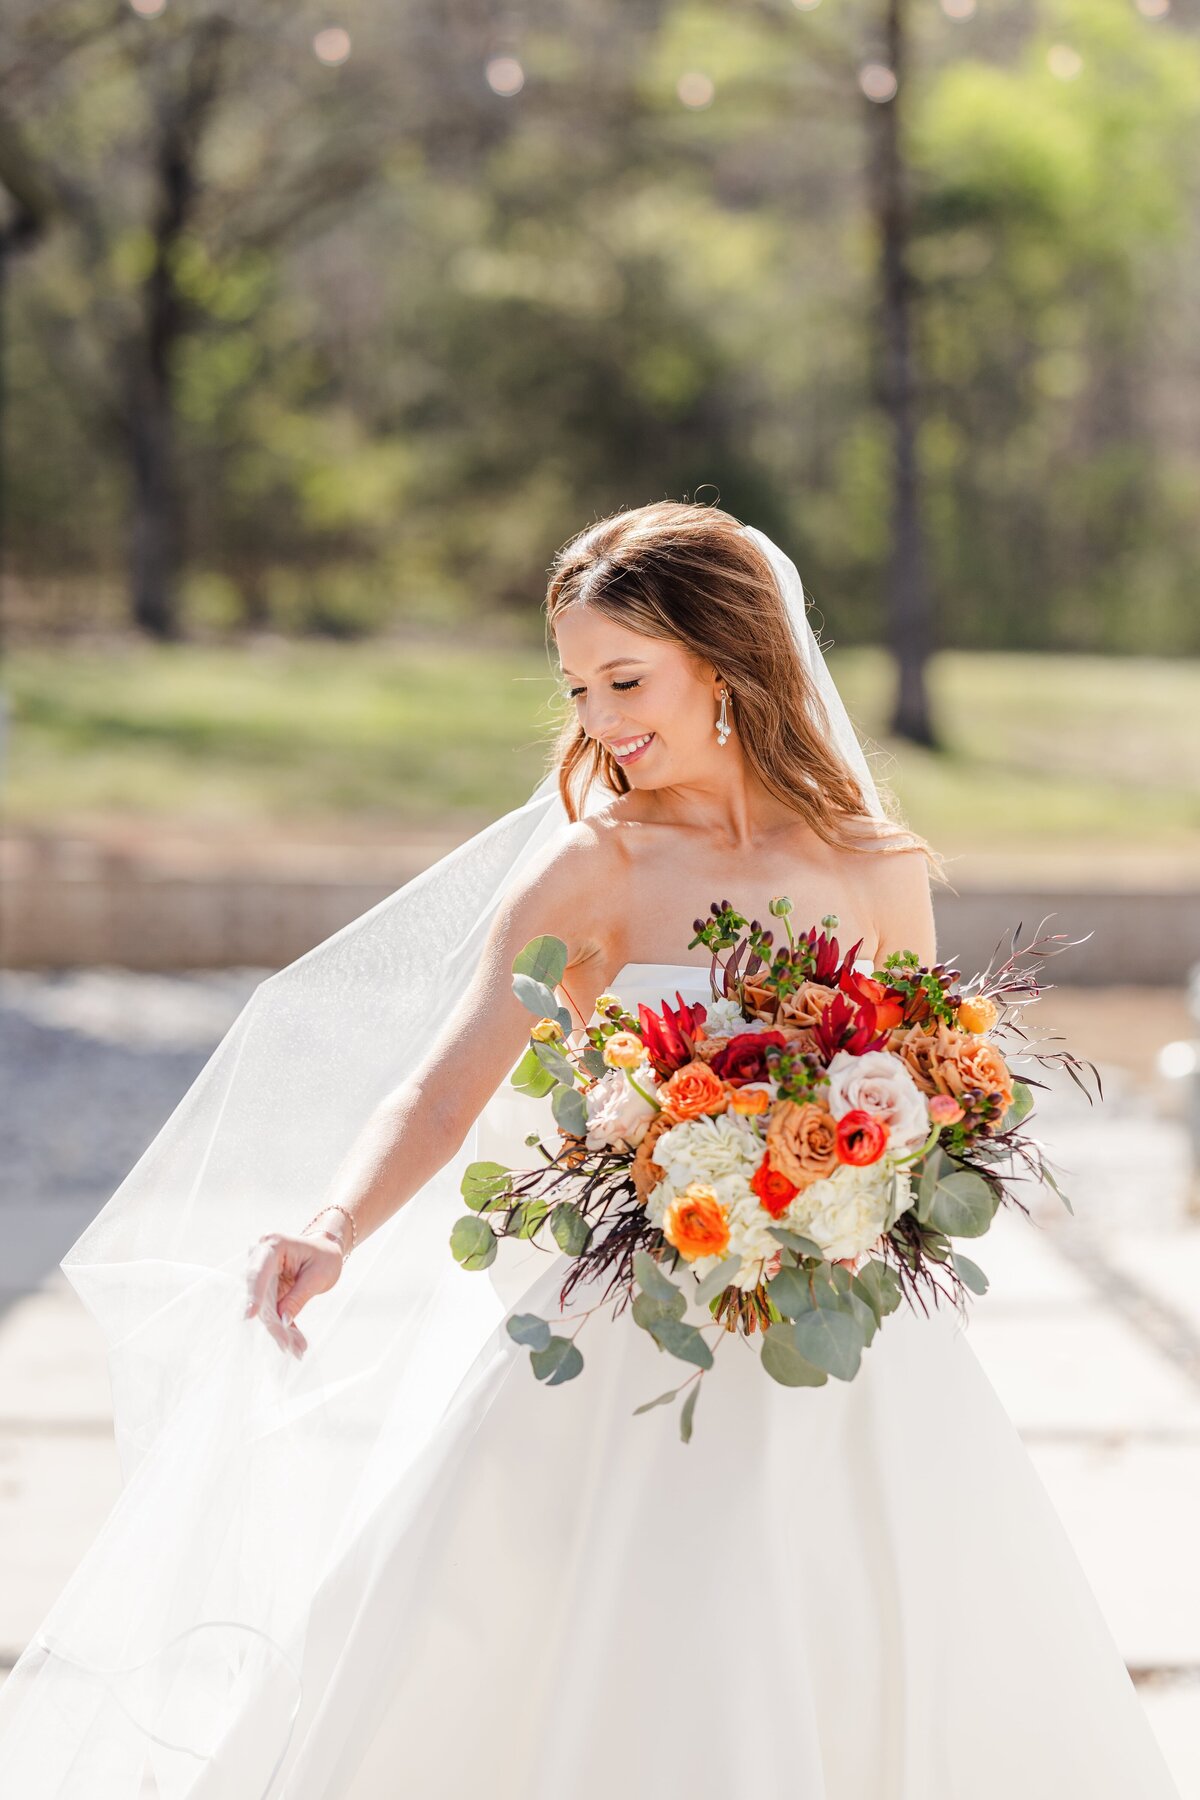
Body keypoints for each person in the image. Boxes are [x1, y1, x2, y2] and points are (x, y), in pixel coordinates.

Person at [0, 502, 1180, 1799]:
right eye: (578, 685)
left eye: (628, 679)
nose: (602, 716)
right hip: (636, 1318)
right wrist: (334, 1225)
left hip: (840, 1329)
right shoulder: (594, 870)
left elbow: (904, 1093)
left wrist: (877, 1168)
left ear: (729, 660)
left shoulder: (873, 863)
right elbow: (445, 1088)